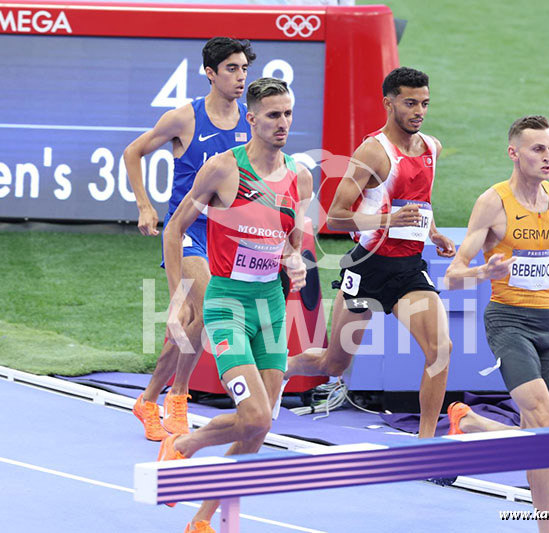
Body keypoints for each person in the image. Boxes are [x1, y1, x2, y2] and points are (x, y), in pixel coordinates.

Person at [158, 77, 312, 533]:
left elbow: (292, 240)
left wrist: (296, 262)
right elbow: (174, 229)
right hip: (227, 302)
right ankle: (188, 444)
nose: (282, 123)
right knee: (256, 415)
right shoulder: (224, 169)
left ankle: (200, 518)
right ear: (251, 119)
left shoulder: (299, 176)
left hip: (271, 305)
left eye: (287, 114)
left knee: (260, 427)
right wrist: (176, 299)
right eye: (273, 115)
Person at [285, 67, 456, 440]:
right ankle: (284, 367)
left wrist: (434, 232)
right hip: (368, 268)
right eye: (410, 103)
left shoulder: (432, 148)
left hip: (409, 271)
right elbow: (337, 216)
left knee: (441, 348)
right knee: (333, 364)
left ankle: (426, 443)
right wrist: (388, 220)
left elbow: (419, 203)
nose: (419, 112)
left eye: (424, 104)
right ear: (388, 102)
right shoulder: (373, 152)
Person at [444, 115, 549, 533]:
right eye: (537, 149)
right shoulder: (493, 202)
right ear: (514, 153)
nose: (547, 157)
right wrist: (482, 273)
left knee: (539, 433)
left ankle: (470, 423)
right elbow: (453, 274)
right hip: (509, 321)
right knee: (545, 420)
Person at [123, 37, 256, 440]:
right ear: (210, 73)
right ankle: (177, 397)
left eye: (244, 69)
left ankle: (152, 400)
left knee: (188, 323)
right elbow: (133, 152)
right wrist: (145, 206)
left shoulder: (251, 120)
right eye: (231, 69)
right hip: (188, 231)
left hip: (228, 235)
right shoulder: (185, 119)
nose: (240, 77)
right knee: (206, 308)